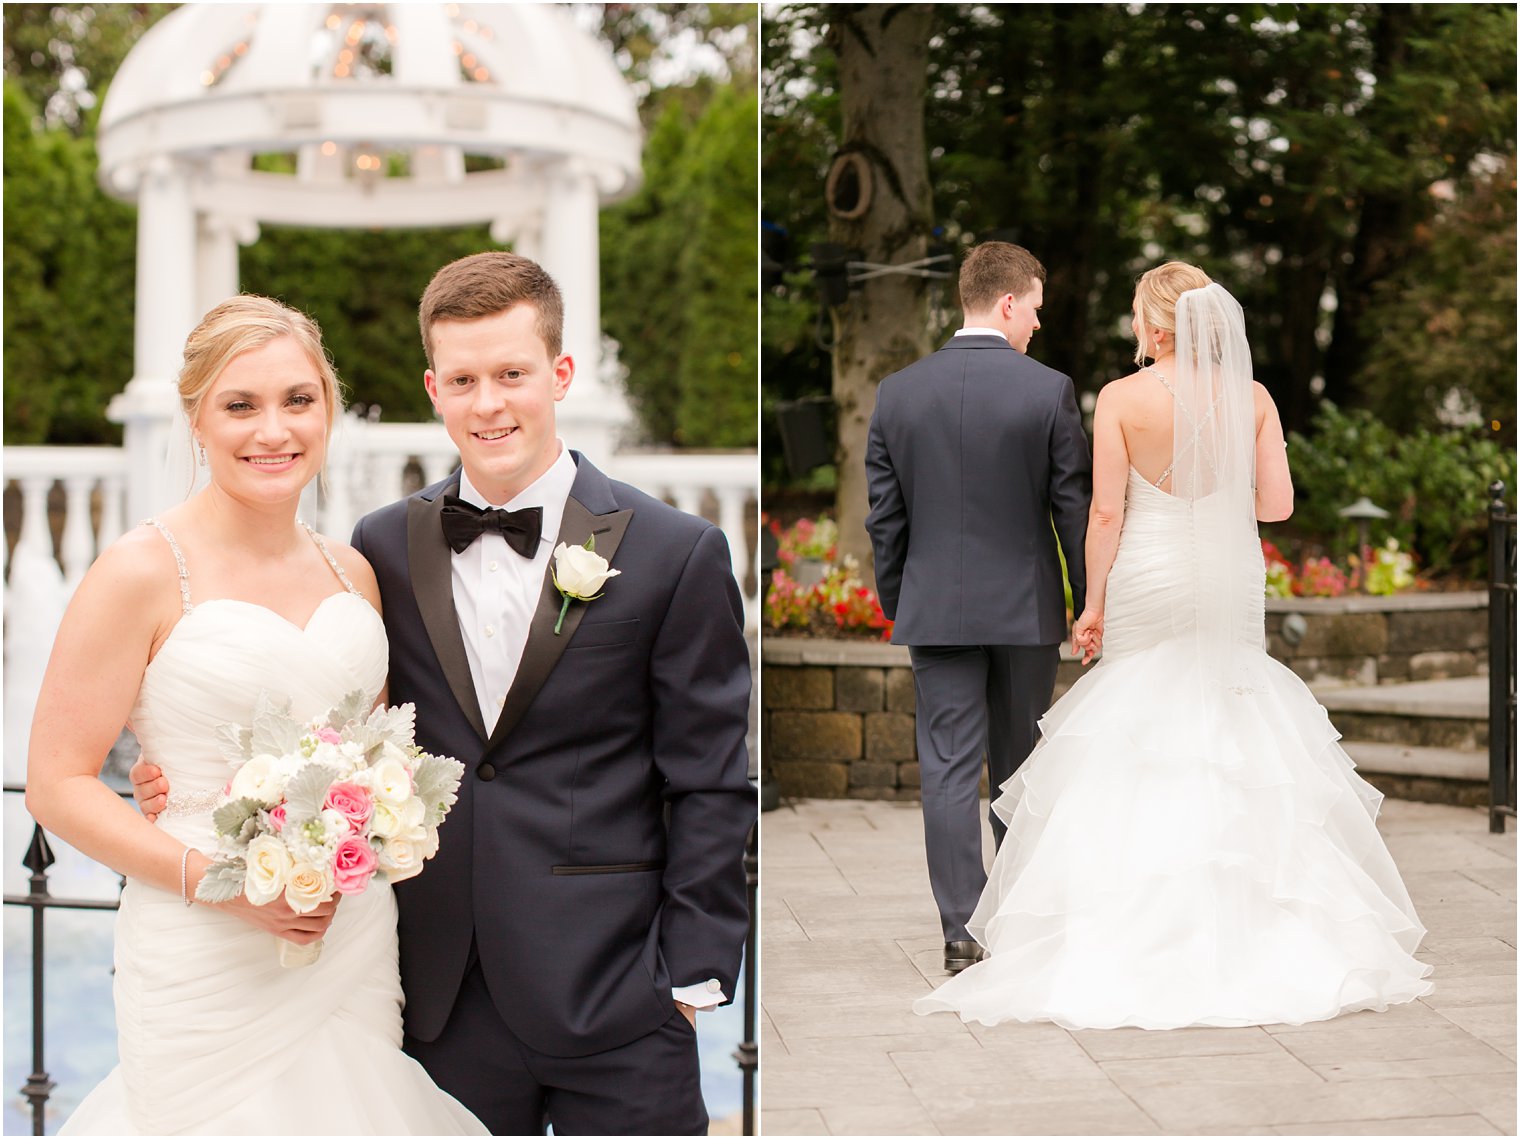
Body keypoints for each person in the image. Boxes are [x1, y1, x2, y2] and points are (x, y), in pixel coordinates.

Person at [136, 251, 756, 1134]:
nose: (488, 403)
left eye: (512, 374)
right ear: (434, 386)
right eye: (463, 378)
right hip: (441, 1000)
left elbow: (708, 778)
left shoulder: (674, 551)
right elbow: (335, 722)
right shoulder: (379, 545)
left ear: (561, 373)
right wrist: (183, 781)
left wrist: (689, 980)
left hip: (619, 997)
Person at [914, 262, 1434, 1029]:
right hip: (1227, 577)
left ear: (1159, 328)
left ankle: (1127, 919)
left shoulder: (1122, 400)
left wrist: (1090, 606)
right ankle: (1253, 919)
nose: (1131, 326)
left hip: (1150, 575)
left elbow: (1105, 516)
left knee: (1139, 725)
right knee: (1231, 718)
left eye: (1134, 314)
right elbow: (1278, 505)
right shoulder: (1252, 400)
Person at [27, 296, 487, 1134]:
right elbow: (56, 784)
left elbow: (372, 753)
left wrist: (375, 826)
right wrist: (225, 882)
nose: (272, 430)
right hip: (203, 943)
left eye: (297, 400)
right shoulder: (139, 570)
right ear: (196, 418)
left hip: (346, 937)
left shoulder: (354, 570)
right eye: (240, 405)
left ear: (328, 409)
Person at [865, 241, 1092, 976]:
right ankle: (1017, 915)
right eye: (1034, 309)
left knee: (948, 770)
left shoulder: (898, 393)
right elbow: (1071, 510)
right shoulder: (1048, 390)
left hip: (935, 610)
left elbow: (884, 519)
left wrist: (906, 602)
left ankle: (961, 932)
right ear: (1006, 302)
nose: (1036, 324)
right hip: (1024, 612)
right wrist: (1088, 601)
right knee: (1019, 766)